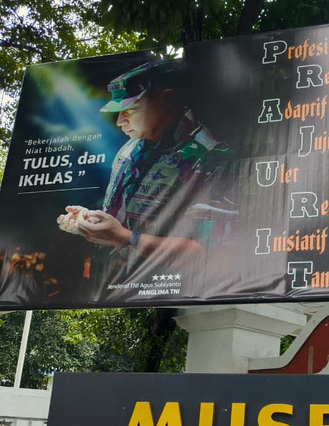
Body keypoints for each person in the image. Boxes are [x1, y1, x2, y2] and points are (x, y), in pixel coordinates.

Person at [57, 58, 237, 297]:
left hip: (172, 294)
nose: (120, 121)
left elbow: (211, 255)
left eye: (129, 110)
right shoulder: (129, 149)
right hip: (116, 289)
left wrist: (125, 238)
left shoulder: (211, 157)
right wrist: (90, 222)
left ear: (166, 99)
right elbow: (118, 221)